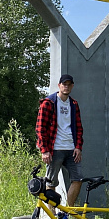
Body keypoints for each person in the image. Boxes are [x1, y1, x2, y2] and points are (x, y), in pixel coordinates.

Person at [36, 74, 84, 208]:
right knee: (51, 182)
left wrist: (78, 147)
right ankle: (53, 216)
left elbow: (79, 128)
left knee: (78, 179)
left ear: (72, 86)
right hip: (54, 149)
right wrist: (44, 150)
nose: (66, 86)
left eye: (69, 84)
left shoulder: (74, 104)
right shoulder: (48, 103)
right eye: (64, 84)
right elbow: (40, 128)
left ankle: (68, 211)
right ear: (59, 86)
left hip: (71, 149)